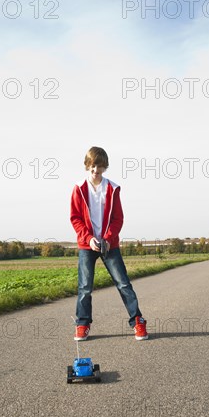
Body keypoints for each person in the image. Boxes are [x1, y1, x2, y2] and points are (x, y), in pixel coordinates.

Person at [70, 146, 148, 341]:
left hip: (109, 244)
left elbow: (118, 219)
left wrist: (107, 238)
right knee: (85, 287)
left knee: (123, 284)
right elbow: (75, 218)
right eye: (93, 166)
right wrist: (89, 238)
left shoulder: (112, 188)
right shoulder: (79, 188)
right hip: (87, 245)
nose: (97, 171)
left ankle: (138, 322)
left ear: (105, 167)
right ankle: (82, 324)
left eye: (101, 167)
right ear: (87, 165)